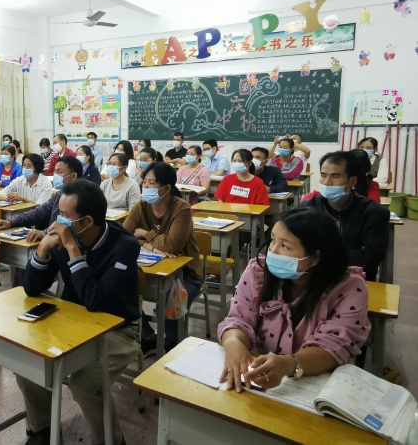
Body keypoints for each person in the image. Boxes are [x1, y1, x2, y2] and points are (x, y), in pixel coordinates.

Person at [17, 179, 140, 445]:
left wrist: (72, 249)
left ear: (87, 221)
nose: (57, 221)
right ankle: (42, 430)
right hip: (71, 324)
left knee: (85, 384)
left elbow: (95, 301)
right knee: (27, 357)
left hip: (117, 331)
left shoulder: (125, 246)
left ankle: (110, 440)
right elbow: (32, 288)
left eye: (64, 215)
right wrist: (42, 249)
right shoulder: (63, 237)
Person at [218, 208, 370, 392]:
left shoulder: (349, 289)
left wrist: (288, 364)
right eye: (273, 240)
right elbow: (238, 319)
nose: (272, 251)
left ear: (315, 257)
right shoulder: (257, 273)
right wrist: (233, 342)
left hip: (314, 386)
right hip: (258, 380)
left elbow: (334, 347)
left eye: (285, 246)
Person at [123, 163, 202, 354]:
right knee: (125, 289)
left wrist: (143, 233)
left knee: (170, 299)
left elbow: (171, 245)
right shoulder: (141, 206)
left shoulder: (181, 208)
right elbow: (124, 235)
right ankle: (147, 336)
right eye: (145, 182)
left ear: (166, 188)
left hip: (186, 274)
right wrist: (148, 246)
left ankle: (173, 344)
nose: (146, 187)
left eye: (151, 183)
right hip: (149, 269)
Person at [300, 151, 389, 281]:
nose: (327, 182)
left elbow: (371, 256)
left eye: (335, 176)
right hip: (313, 277)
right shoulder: (308, 207)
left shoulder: (373, 212)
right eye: (323, 175)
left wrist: (321, 257)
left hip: (355, 280)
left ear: (352, 181)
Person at [0, 156, 83, 242]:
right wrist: (11, 222)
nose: (55, 175)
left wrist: (44, 233)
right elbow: (40, 211)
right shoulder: (60, 194)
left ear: (73, 176)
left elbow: (66, 225)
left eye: (59, 172)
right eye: (55, 172)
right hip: (53, 240)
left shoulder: (80, 197)